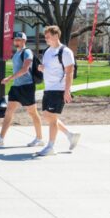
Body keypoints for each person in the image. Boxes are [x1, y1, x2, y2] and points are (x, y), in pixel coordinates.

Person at [0, 32, 44, 147]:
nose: (16, 41)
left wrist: (9, 78)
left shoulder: (27, 52)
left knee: (32, 112)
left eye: (19, 39)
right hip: (16, 87)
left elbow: (25, 69)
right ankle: (1, 137)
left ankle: (39, 138)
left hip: (26, 87)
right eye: (15, 39)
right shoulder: (16, 54)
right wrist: (12, 80)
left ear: (24, 41)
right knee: (9, 111)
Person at [36, 25, 81, 156]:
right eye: (45, 37)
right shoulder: (47, 51)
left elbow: (70, 72)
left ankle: (50, 146)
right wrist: (42, 68)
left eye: (48, 36)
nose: (46, 39)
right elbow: (49, 67)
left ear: (56, 36)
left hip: (59, 89)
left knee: (53, 118)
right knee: (47, 116)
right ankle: (70, 135)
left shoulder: (65, 52)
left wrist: (67, 91)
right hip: (48, 88)